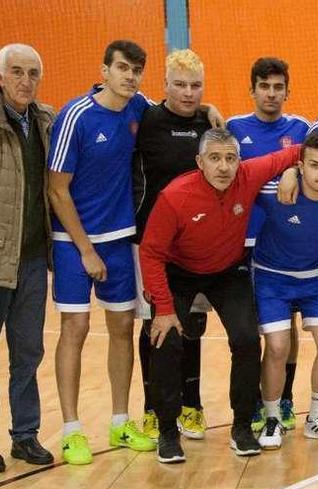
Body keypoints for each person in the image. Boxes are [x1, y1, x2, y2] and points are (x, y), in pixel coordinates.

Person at [139, 129, 306, 463]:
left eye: (231, 158)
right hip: (179, 272)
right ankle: (168, 432)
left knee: (246, 339)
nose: (224, 166)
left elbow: (299, 150)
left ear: (239, 161)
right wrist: (165, 309)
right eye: (214, 158)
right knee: (167, 339)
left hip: (228, 272)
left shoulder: (249, 174)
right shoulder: (175, 196)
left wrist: (293, 170)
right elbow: (151, 253)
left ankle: (242, 426)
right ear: (199, 162)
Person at [47, 40, 156, 465]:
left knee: (121, 331)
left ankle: (119, 420)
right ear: (104, 70)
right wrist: (86, 250)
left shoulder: (137, 107)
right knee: (74, 329)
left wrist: (213, 114)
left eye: (136, 70)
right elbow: (57, 190)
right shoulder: (76, 116)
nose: (130, 76)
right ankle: (72, 430)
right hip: (74, 242)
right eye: (123, 68)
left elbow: (172, 112)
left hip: (121, 239)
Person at [227, 57, 312, 433]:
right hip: (241, 244)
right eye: (265, 87)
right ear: (253, 90)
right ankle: (251, 403)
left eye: (279, 87)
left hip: (286, 243)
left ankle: (285, 397)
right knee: (248, 331)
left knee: (286, 327)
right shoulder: (233, 128)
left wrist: (294, 168)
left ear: (287, 92)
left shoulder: (301, 129)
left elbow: (314, 163)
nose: (272, 94)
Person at [131, 48, 213, 442]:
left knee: (192, 325)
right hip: (152, 244)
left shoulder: (208, 125)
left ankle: (191, 405)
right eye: (179, 84)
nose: (188, 92)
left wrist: (211, 111)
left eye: (195, 85)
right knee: (156, 326)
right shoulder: (146, 119)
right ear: (164, 85)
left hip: (196, 247)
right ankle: (152, 409)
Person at [252, 131, 318, 448]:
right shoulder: (273, 191)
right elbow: (241, 180)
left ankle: (317, 417)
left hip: (316, 277)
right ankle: (271, 418)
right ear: (301, 165)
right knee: (278, 347)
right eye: (315, 165)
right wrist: (288, 173)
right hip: (271, 276)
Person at [0, 43, 55, 469]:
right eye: (16, 72)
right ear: (1, 77)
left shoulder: (45, 121)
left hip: (34, 259)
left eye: (33, 73)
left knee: (28, 352)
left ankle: (25, 434)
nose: (25, 81)